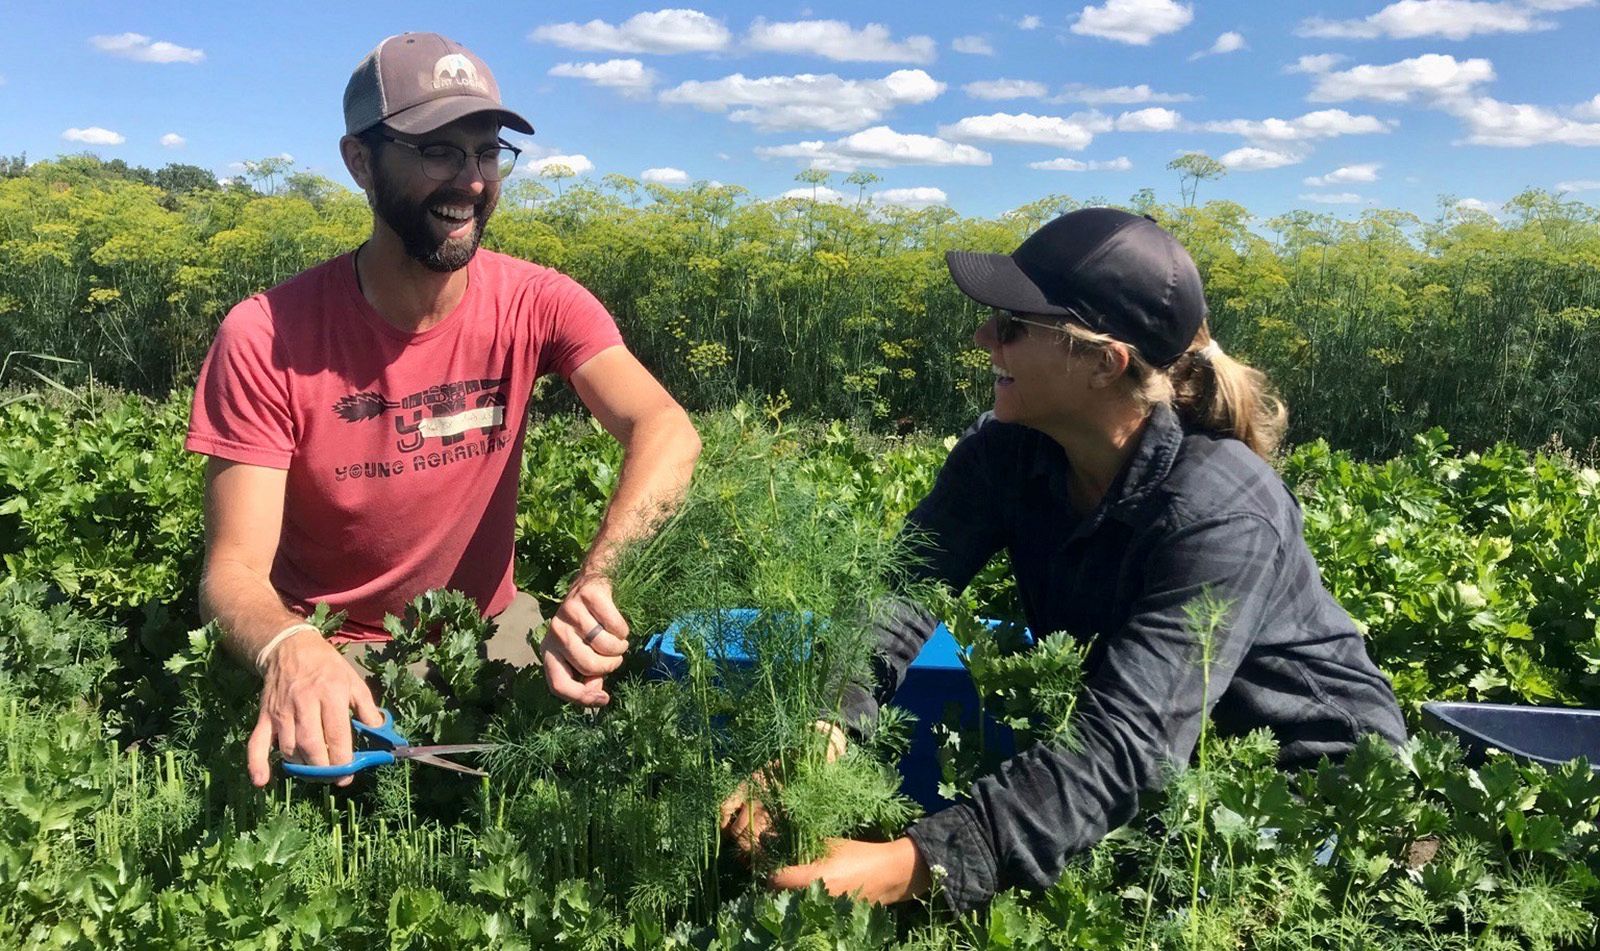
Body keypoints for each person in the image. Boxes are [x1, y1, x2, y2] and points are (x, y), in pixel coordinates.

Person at [730, 207, 1408, 909]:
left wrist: (912, 866)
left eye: (1012, 325)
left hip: (1311, 802)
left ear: (1103, 363)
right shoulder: (1008, 453)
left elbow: (1129, 743)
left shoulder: (1221, 511)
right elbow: (901, 590)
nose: (983, 337)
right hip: (1167, 777)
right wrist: (825, 725)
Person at [185, 32, 700, 789]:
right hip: (330, 648)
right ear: (360, 162)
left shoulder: (538, 301)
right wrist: (289, 647)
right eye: (437, 152)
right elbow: (231, 572)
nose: (471, 180)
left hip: (491, 632)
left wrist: (599, 578)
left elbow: (665, 428)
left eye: (487, 152)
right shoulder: (267, 336)